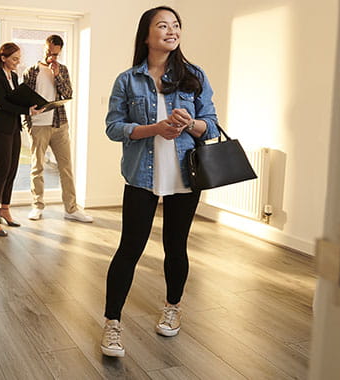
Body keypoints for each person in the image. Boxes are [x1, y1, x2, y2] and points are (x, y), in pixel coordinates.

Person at [100, 6, 220, 357]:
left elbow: (210, 124)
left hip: (186, 175)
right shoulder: (128, 80)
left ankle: (172, 306)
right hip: (141, 176)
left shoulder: (194, 75)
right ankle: (112, 324)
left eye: (176, 25)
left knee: (176, 246)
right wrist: (154, 129)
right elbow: (112, 127)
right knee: (129, 249)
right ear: (147, 34)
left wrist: (190, 123)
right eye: (163, 25)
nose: (172, 30)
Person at [22, 35, 93, 223]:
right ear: (44, 48)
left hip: (59, 124)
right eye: (49, 52)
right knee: (37, 167)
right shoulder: (31, 71)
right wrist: (27, 122)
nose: (52, 57)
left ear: (59, 51)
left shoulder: (62, 70)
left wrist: (57, 75)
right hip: (38, 126)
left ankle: (71, 209)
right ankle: (37, 206)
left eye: (56, 54)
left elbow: (68, 94)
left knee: (66, 168)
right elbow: (24, 100)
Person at [0, 43, 43, 236]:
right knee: (2, 170)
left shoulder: (14, 76)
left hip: (14, 126)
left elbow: (15, 99)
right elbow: (2, 103)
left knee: (12, 170)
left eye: (19, 58)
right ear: (3, 58)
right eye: (15, 59)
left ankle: (4, 209)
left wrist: (33, 103)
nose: (18, 62)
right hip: (0, 127)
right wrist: (27, 110)